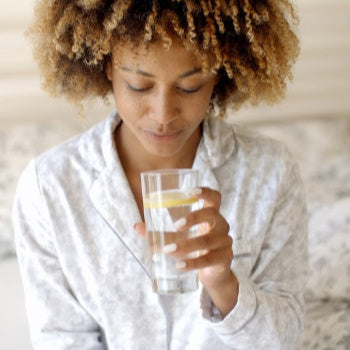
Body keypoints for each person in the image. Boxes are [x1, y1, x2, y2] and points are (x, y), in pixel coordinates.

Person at [13, 0, 307, 349]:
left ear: (219, 73)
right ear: (107, 65)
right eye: (139, 85)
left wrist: (224, 284)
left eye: (190, 86)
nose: (163, 114)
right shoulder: (49, 188)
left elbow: (285, 338)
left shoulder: (271, 173)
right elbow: (61, 340)